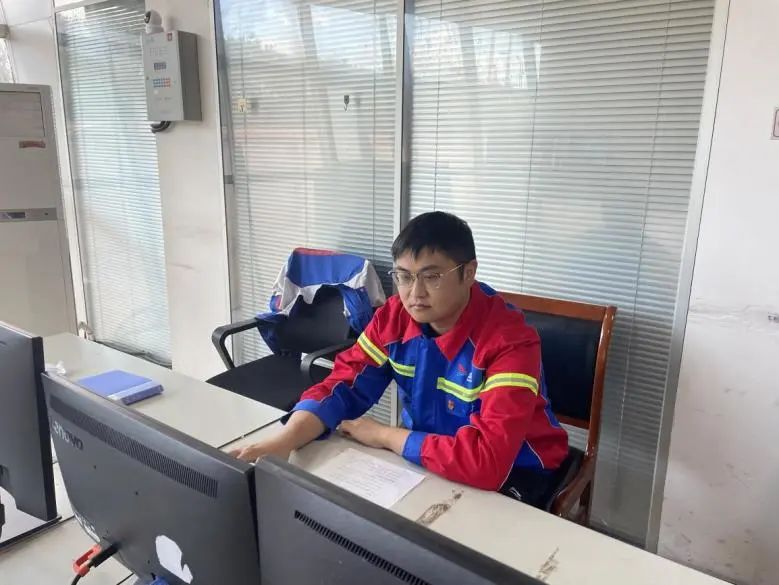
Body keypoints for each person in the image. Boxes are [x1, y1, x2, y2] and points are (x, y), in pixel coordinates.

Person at [230, 212, 569, 507]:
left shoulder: (510, 341)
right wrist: (284, 441)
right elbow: (344, 384)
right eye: (404, 276)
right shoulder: (395, 317)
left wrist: (385, 436)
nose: (414, 293)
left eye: (432, 276)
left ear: (468, 273)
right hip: (429, 456)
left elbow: (488, 462)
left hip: (518, 467)